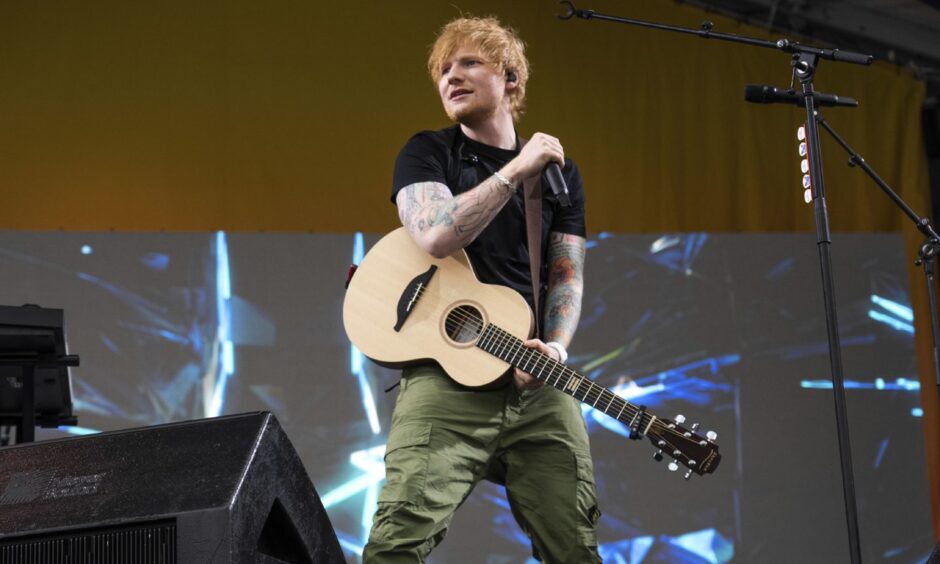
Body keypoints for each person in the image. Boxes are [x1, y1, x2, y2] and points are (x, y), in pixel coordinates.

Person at [363, 16, 600, 563]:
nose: (451, 76)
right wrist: (514, 171)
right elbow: (435, 233)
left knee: (576, 547)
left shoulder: (559, 175)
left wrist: (555, 348)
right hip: (445, 380)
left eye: (469, 62)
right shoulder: (427, 152)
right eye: (443, 69)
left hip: (533, 377)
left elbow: (566, 275)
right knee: (397, 542)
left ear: (510, 77)